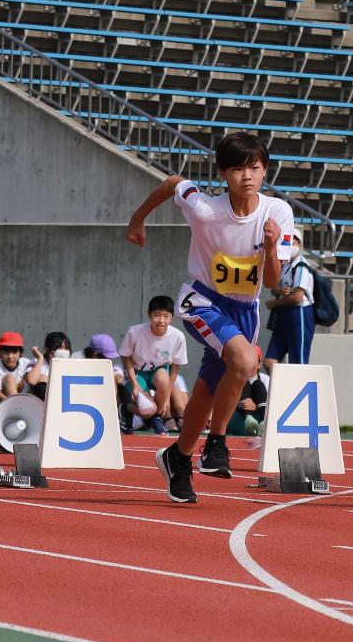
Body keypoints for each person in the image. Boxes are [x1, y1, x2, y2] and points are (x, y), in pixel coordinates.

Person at [127, 131, 300, 503]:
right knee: (244, 359)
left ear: (265, 170)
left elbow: (272, 282)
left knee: (206, 391)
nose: (247, 176)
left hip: (246, 311)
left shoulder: (278, 213)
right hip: (202, 302)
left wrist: (270, 247)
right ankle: (216, 444)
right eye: (237, 169)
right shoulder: (205, 208)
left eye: (254, 168)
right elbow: (174, 183)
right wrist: (137, 219)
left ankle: (179, 457)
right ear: (224, 173)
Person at [121, 296, 191, 436]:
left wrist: (166, 397)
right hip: (138, 373)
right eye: (157, 315)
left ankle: (157, 417)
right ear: (149, 314)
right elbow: (126, 356)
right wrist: (134, 384)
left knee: (163, 378)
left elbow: (175, 367)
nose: (161, 320)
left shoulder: (178, 337)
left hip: (159, 372)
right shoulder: (134, 332)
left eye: (166, 316)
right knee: (147, 409)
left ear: (172, 317)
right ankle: (127, 409)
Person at [264, 253, 317, 369]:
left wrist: (274, 303)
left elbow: (297, 297)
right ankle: (283, 387)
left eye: (294, 241)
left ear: (300, 244)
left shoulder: (301, 266)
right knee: (269, 362)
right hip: (283, 315)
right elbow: (273, 287)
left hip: (299, 314)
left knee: (298, 363)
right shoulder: (284, 264)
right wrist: (279, 291)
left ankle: (297, 386)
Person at [0, 332, 36, 406]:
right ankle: (18, 409)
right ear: (0, 352)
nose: (10, 356)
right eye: (6, 352)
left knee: (29, 379)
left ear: (20, 353)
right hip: (2, 403)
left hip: (23, 401)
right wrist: (14, 404)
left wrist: (40, 358)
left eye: (14, 352)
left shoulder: (25, 362)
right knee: (9, 378)